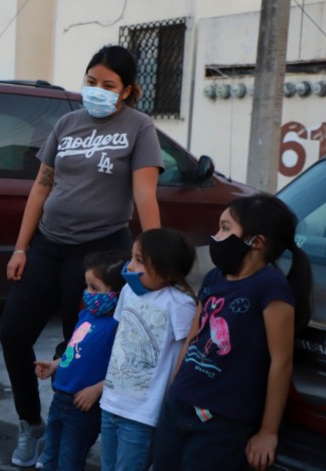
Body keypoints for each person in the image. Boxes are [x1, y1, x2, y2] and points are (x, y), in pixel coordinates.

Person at [0, 44, 163, 467]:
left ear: (127, 90)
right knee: (13, 332)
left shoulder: (139, 127)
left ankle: (66, 437)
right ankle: (30, 422)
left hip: (101, 249)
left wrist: (156, 254)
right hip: (49, 243)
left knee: (80, 345)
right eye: (91, 82)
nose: (97, 91)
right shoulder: (67, 123)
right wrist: (21, 247)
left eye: (108, 85)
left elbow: (145, 192)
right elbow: (41, 186)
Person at [153, 194, 312, 471]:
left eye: (226, 228)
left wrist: (268, 432)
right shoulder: (214, 277)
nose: (216, 236)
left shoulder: (271, 287)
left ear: (256, 242)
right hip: (179, 405)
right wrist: (172, 391)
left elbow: (281, 363)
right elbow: (194, 336)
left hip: (221, 423)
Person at [98, 228, 196, 471]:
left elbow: (188, 350)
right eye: (132, 257)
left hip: (143, 414)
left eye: (139, 260)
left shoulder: (180, 304)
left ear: (167, 270)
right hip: (110, 403)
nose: (130, 266)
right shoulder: (128, 291)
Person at [34, 250, 129, 471]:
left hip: (83, 406)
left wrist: (98, 389)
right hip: (60, 398)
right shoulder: (86, 316)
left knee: (69, 461)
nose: (88, 293)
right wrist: (56, 365)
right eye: (87, 287)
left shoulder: (118, 326)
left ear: (117, 293)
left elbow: (122, 368)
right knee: (50, 456)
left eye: (95, 288)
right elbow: (75, 351)